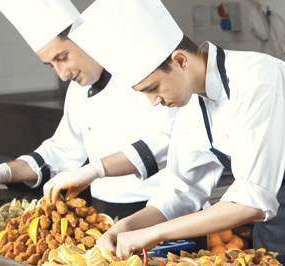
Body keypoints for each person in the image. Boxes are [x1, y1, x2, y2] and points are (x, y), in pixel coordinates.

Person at [63, 0, 285, 259]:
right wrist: (126, 226)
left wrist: (156, 233)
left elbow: (253, 200)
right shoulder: (193, 105)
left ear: (180, 61)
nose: (154, 101)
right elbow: (182, 190)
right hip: (275, 227)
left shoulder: (257, 81)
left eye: (152, 88)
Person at [0, 0, 178, 220]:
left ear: (86, 38)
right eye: (51, 65)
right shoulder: (77, 90)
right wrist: (2, 172)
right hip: (107, 212)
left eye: (62, 58)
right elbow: (62, 151)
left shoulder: (140, 70)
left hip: (164, 209)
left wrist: (95, 169)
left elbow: (170, 139)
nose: (62, 74)